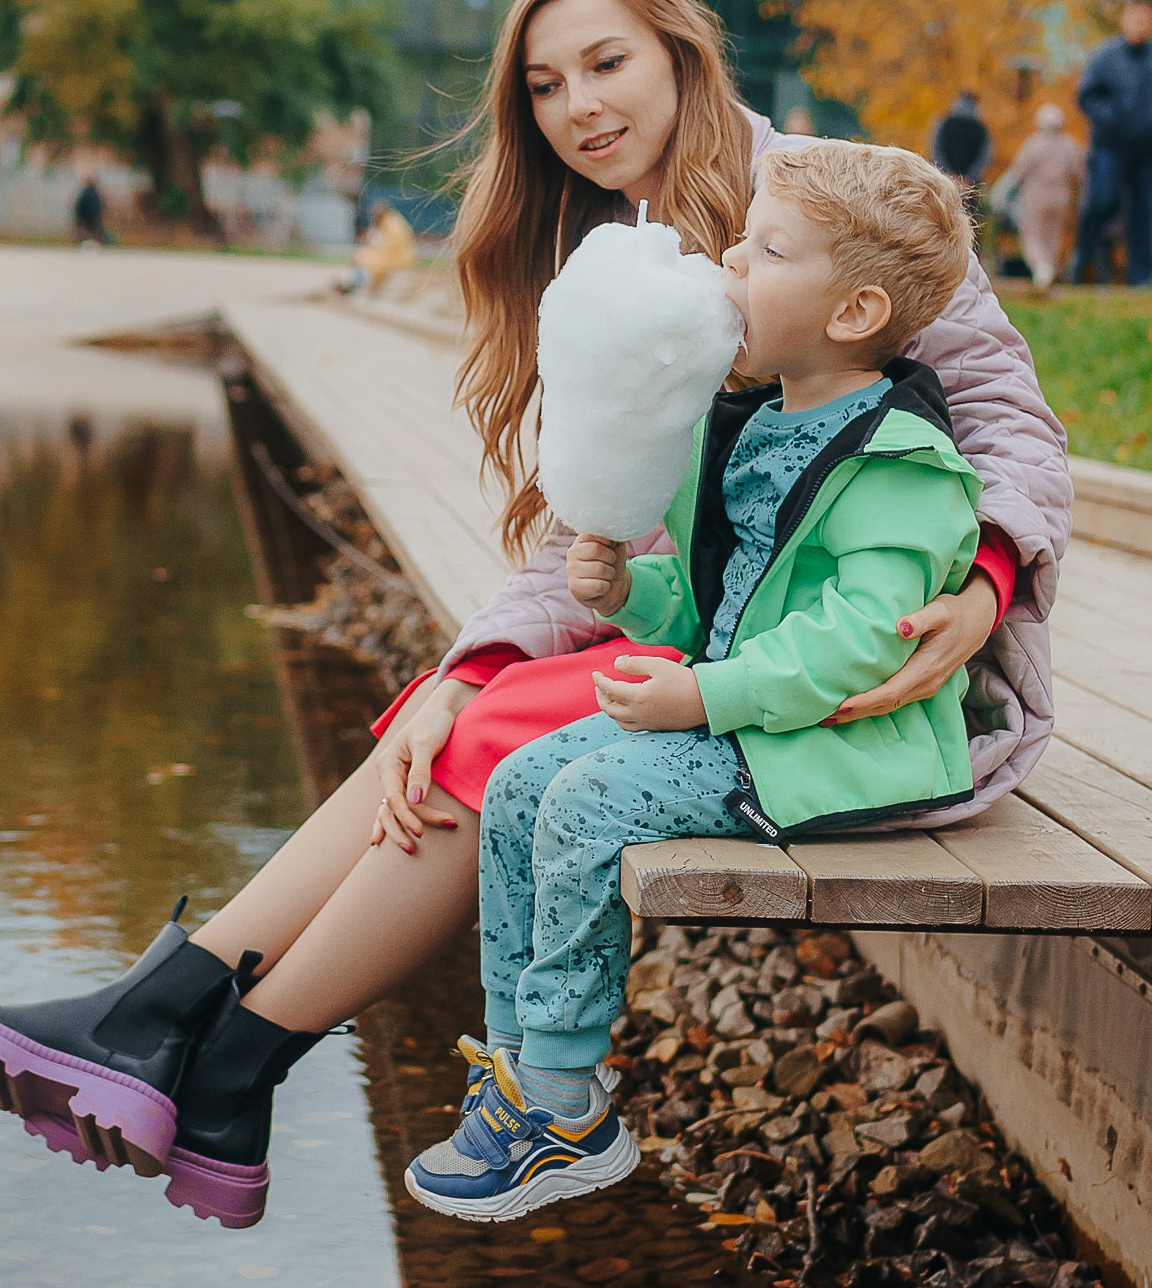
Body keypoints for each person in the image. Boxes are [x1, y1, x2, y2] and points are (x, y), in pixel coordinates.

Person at [0, 0, 1070, 1232]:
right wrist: (458, 671)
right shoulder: (603, 251)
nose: (577, 105)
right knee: (456, 715)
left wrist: (988, 571)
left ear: (683, 56)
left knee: (495, 727)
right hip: (716, 646)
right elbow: (589, 530)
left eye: (606, 63)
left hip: (868, 664)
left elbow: (1007, 414)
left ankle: (200, 1052)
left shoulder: (826, 210)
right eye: (543, 83)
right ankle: (188, 1047)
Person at [404, 140, 981, 1219]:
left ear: (853, 311)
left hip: (836, 743)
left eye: (765, 247)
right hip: (749, 712)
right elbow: (723, 608)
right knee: (524, 777)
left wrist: (701, 697)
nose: (727, 259)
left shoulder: (900, 464)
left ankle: (568, 1101)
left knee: (585, 798)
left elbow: (864, 638)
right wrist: (631, 594)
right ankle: (521, 1072)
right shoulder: (759, 424)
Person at [1072, 0, 1152, 286]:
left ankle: (1141, 277)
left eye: (1145, 20)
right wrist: (1113, 118)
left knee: (1142, 212)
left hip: (1147, 149)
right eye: (1134, 19)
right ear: (1124, 21)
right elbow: (1087, 97)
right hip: (1110, 147)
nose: (1139, 26)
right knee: (1101, 202)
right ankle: (1081, 261)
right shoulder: (1104, 57)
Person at [991, 105, 1084, 292]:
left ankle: (1041, 268)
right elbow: (1079, 174)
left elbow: (1019, 172)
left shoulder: (1034, 143)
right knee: (1053, 236)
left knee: (1031, 233)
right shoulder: (1069, 145)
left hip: (1036, 195)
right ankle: (1048, 271)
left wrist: (1001, 194)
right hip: (1061, 197)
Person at [929, 91, 993, 188]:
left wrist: (947, 173)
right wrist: (969, 177)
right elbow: (984, 156)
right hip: (970, 186)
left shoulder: (944, 123)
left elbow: (936, 149)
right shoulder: (981, 128)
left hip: (943, 180)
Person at [72, 176, 109, 248]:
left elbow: (79, 206)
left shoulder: (88, 193)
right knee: (90, 234)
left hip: (88, 218)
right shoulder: (94, 194)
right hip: (91, 217)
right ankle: (89, 246)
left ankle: (89, 246)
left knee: (89, 234)